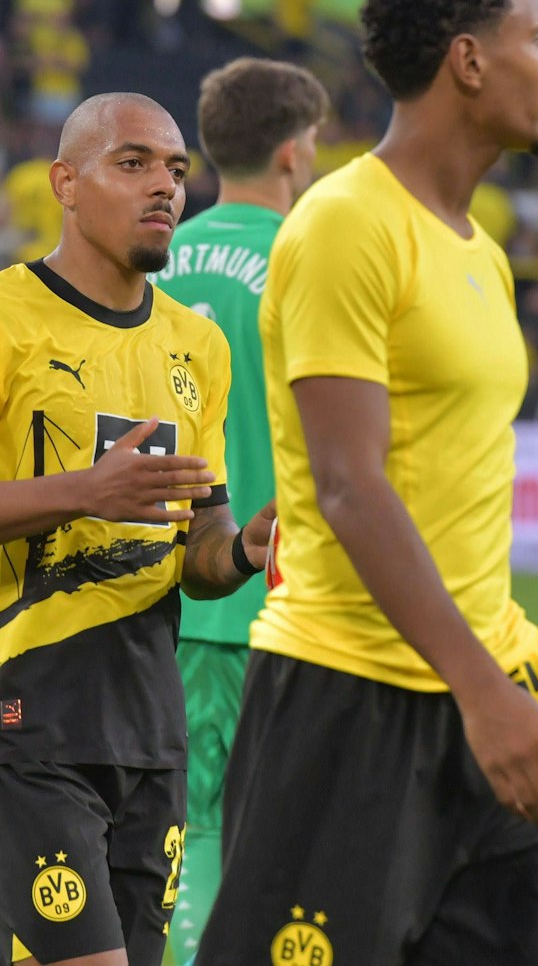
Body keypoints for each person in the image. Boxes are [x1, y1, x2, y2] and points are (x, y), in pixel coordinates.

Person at [196, 0, 538, 965]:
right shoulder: (343, 225)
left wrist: (504, 683)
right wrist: (483, 692)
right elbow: (346, 483)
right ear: (467, 61)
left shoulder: (482, 253)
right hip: (347, 703)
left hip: (482, 691)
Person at [0, 91, 275, 966]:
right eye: (131, 163)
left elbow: (198, 551)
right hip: (21, 716)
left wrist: (246, 547)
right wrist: (84, 489)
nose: (164, 186)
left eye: (175, 168)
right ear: (64, 182)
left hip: (148, 725)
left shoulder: (196, 347)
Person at [149, 56, 327, 963]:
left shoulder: (154, 255)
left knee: (197, 818)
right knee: (261, 829)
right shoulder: (309, 259)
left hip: (179, 585)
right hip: (289, 592)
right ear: (295, 153)